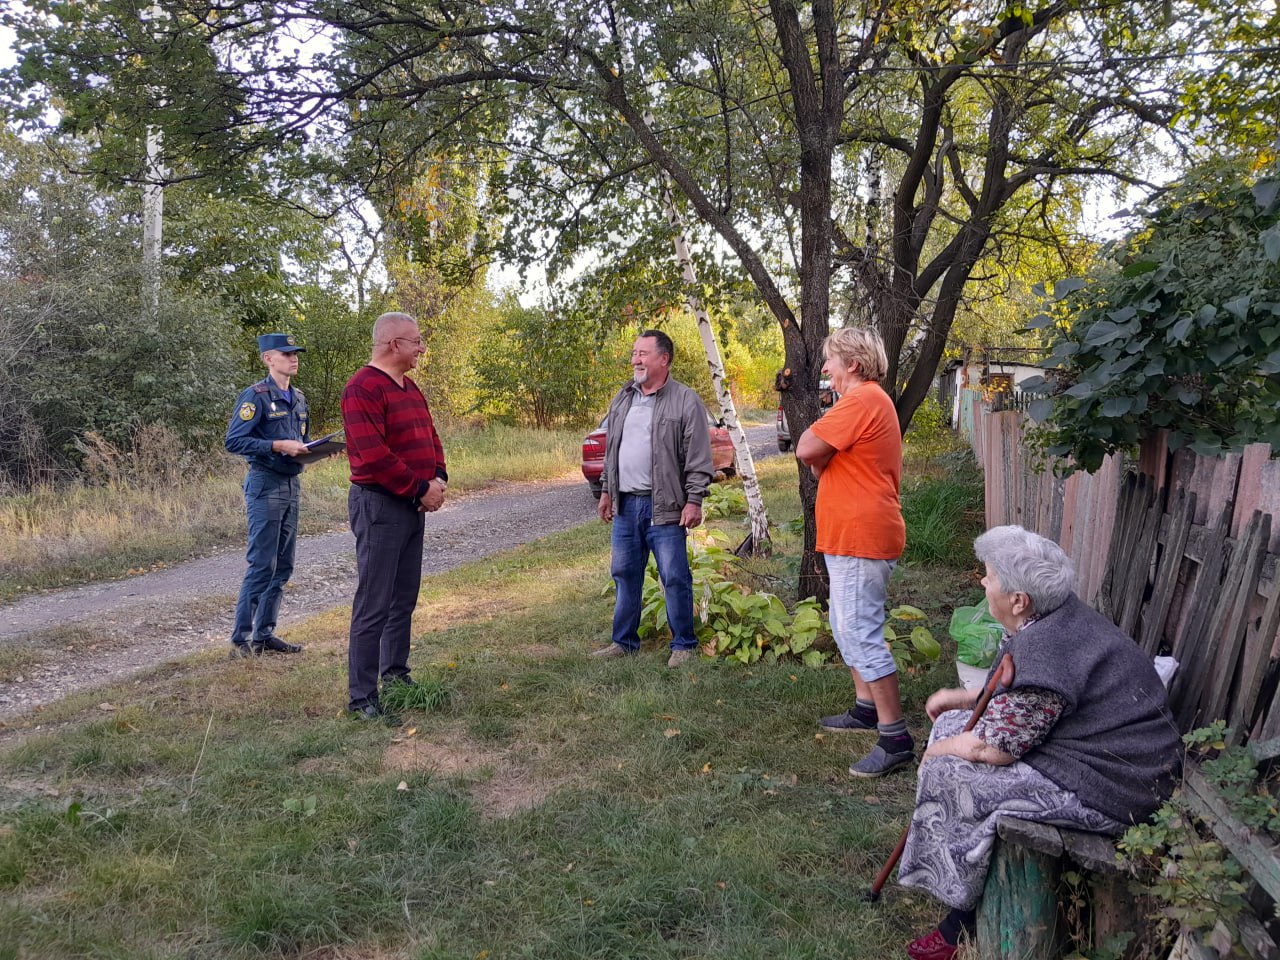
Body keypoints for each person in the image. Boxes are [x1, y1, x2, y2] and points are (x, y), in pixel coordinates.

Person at [897, 525, 1181, 960]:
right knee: (952, 725)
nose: (982, 582)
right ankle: (958, 879)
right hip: (1095, 751)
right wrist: (965, 698)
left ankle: (960, 917)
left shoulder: (1048, 646)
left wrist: (936, 753)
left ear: (1018, 599)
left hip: (1116, 785)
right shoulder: (1052, 618)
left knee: (950, 767)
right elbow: (1023, 689)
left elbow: (995, 748)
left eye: (988, 575)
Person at [796, 327, 910, 777]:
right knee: (846, 628)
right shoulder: (865, 402)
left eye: (831, 361)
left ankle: (896, 738)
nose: (825, 369)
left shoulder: (861, 400)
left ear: (854, 365)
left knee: (861, 632)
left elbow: (807, 447)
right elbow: (817, 456)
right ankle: (866, 709)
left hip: (863, 535)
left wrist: (818, 451)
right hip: (851, 535)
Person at [340, 312, 447, 720]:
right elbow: (374, 455)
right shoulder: (361, 388)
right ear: (393, 344)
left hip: (412, 504)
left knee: (403, 597)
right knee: (375, 601)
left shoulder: (410, 387)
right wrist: (420, 488)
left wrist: (438, 477)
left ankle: (396, 675)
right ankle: (362, 697)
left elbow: (430, 436)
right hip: (380, 506)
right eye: (416, 341)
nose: (422, 348)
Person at [593, 329, 714, 668]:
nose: (636, 359)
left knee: (674, 575)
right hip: (626, 505)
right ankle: (624, 642)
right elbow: (611, 451)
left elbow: (698, 456)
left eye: (643, 353)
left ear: (664, 359)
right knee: (624, 573)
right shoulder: (623, 397)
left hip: (666, 507)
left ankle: (684, 645)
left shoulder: (685, 400)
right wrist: (606, 491)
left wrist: (694, 500)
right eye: (634, 353)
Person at [224, 333, 310, 658]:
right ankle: (240, 640)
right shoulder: (256, 397)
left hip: (291, 484)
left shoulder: (299, 398)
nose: (293, 358)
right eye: (285, 353)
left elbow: (302, 441)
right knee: (262, 564)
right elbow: (233, 441)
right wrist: (275, 445)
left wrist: (313, 451)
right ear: (268, 359)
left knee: (284, 565)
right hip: (265, 484)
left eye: (295, 353)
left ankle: (264, 634)